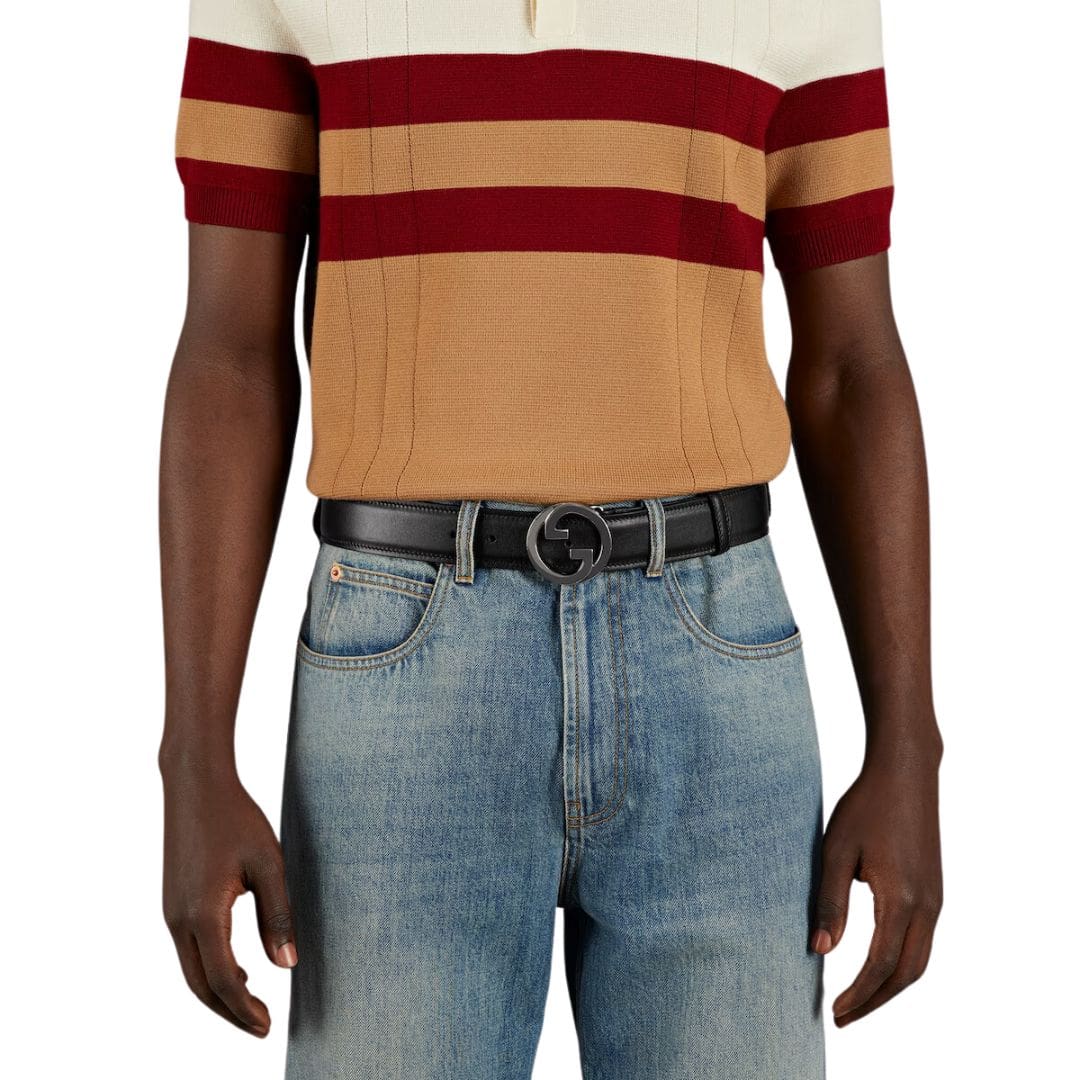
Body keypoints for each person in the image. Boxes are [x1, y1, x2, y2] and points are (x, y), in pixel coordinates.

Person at [159, 1, 943, 1076]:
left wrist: (909, 745)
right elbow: (230, 355)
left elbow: (854, 363)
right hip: (400, 677)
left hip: (716, 671)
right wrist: (194, 756)